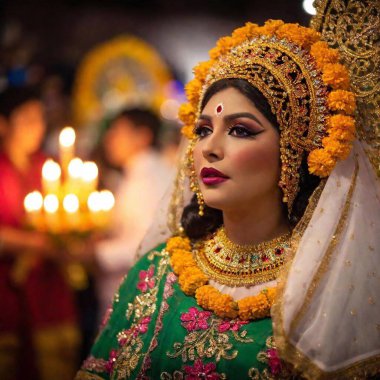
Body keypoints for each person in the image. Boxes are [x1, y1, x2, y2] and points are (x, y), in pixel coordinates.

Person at [76, 18, 379, 380]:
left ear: (294, 150)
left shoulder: (325, 288)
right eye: (203, 130)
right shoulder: (157, 271)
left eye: (240, 130)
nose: (210, 149)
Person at [0, 87, 79, 380]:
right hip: (6, 294)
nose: (37, 127)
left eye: (40, 119)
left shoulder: (48, 168)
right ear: (3, 123)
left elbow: (68, 212)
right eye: (27, 119)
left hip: (49, 289)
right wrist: (34, 242)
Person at [94, 108, 174, 316]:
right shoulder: (139, 172)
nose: (109, 139)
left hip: (135, 294)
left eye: (118, 131)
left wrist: (94, 253)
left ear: (143, 136)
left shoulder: (148, 180)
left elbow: (148, 243)